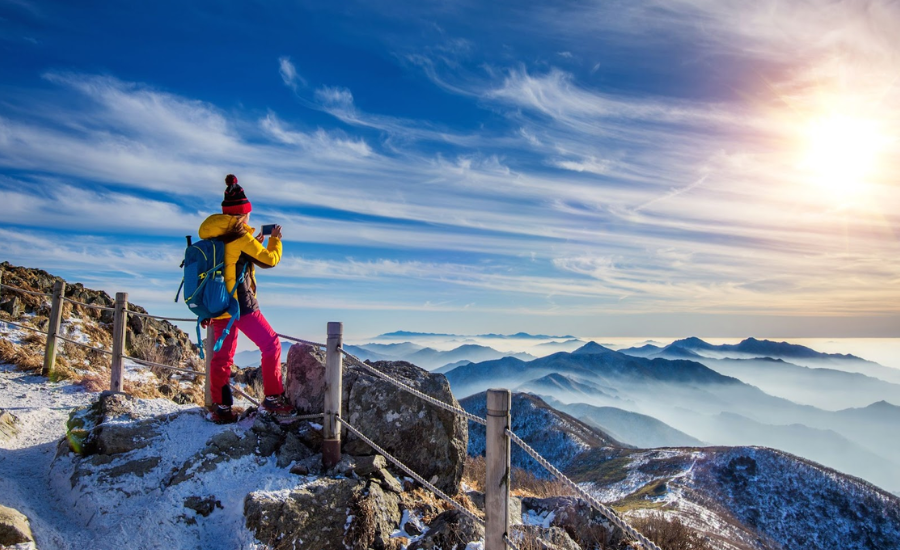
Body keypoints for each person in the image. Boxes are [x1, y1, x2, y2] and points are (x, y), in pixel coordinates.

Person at [198, 174, 294, 423]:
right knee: (271, 344)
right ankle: (273, 398)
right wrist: (275, 241)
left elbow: (231, 261)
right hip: (240, 303)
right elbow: (270, 260)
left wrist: (253, 245)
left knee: (222, 357)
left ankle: (220, 408)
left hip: (217, 302)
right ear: (243, 214)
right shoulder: (241, 237)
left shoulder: (214, 235)